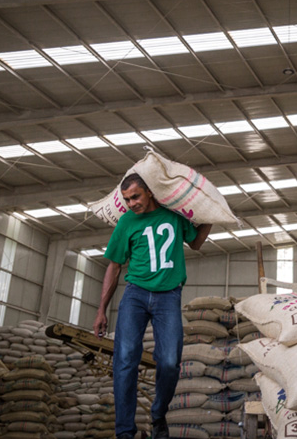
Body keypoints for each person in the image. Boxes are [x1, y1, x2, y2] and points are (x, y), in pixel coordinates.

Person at [94, 173, 212, 439]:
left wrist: (211, 215)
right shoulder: (126, 222)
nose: (131, 203)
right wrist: (101, 310)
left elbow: (195, 242)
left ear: (149, 191)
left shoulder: (174, 214)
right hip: (135, 294)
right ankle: (125, 431)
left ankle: (158, 414)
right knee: (125, 361)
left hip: (168, 296)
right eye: (126, 199)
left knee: (170, 362)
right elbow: (113, 266)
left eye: (135, 196)